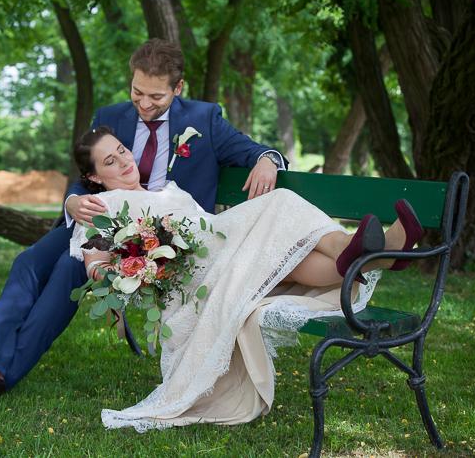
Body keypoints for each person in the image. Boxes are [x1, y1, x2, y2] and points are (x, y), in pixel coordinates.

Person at [0, 38, 289, 402]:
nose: (144, 105)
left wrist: (267, 160)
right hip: (100, 218)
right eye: (137, 92)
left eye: (156, 97)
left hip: (153, 238)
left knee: (68, 270)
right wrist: (72, 201)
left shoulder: (204, 119)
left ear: (178, 88)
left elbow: (256, 151)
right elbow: (85, 176)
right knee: (28, 261)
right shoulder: (110, 117)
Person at [68, 127, 424, 430]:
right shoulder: (101, 206)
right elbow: (96, 267)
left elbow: (205, 222)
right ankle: (364, 250)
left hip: (220, 247)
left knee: (292, 259)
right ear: (94, 177)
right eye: (110, 161)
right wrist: (137, 270)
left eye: (122, 150)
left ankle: (374, 255)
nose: (124, 161)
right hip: (196, 274)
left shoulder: (169, 189)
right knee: (280, 201)